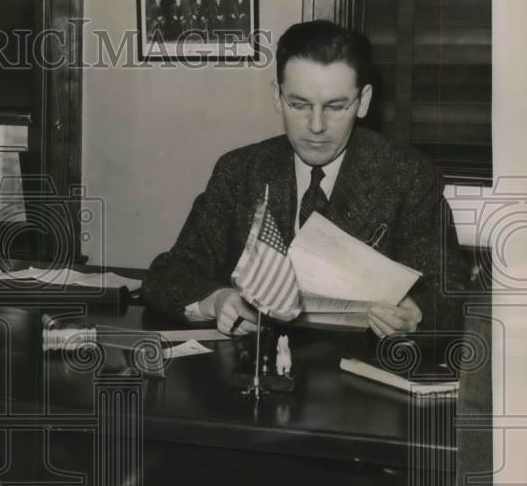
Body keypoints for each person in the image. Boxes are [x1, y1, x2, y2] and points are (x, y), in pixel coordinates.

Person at [143, 20, 465, 338]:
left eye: (335, 107)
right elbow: (168, 275)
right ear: (277, 96)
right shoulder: (239, 171)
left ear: (363, 101)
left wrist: (417, 315)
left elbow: (451, 297)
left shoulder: (407, 175)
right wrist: (218, 300)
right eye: (299, 105)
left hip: (356, 372)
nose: (315, 126)